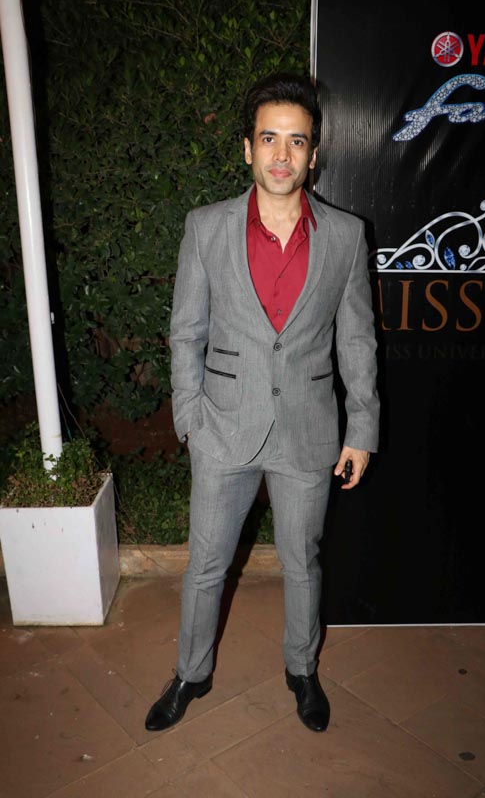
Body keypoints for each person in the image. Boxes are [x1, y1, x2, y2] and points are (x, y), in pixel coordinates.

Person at [145, 72, 380, 734]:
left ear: (314, 153)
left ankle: (301, 670)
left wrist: (361, 428)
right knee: (206, 565)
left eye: (296, 141)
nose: (282, 154)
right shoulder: (206, 227)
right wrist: (190, 419)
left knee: (302, 562)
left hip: (308, 429)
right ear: (247, 148)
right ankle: (190, 673)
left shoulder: (345, 235)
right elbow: (185, 333)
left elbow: (357, 340)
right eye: (268, 139)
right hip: (222, 427)